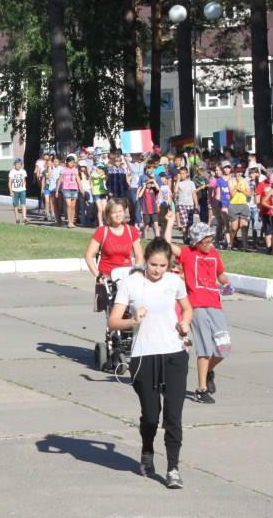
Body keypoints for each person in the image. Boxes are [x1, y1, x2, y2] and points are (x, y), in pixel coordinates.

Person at [108, 238, 193, 489]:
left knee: (173, 416)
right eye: (153, 264)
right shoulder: (131, 284)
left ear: (169, 264)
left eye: (162, 265)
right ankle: (147, 449)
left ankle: (173, 468)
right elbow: (113, 321)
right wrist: (133, 320)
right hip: (144, 356)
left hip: (174, 354)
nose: (157, 270)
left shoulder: (174, 282)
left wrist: (184, 323)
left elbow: (187, 308)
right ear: (145, 260)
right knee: (151, 416)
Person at [163, 219, 232, 404]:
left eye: (211, 241)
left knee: (224, 348)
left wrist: (226, 283)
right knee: (205, 348)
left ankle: (208, 370)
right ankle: (201, 390)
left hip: (215, 304)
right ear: (196, 242)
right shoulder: (188, 253)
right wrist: (170, 223)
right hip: (196, 305)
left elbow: (220, 274)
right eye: (206, 241)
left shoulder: (214, 254)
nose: (210, 244)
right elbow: (167, 245)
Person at [84, 199, 145, 283]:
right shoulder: (101, 232)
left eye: (120, 211)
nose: (118, 215)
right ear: (108, 214)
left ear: (124, 212)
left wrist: (136, 273)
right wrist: (98, 276)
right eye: (114, 212)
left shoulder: (132, 231)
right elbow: (88, 255)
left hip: (126, 278)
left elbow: (139, 256)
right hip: (106, 279)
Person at [174, 167, 198, 232]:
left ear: (187, 174)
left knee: (190, 222)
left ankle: (187, 234)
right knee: (184, 222)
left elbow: (194, 194)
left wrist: (196, 204)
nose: (182, 175)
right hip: (182, 204)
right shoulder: (179, 183)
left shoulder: (191, 183)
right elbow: (175, 191)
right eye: (181, 173)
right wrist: (178, 180)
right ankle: (185, 235)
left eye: (183, 173)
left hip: (190, 204)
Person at [60, 155, 81, 228]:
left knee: (73, 206)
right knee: (68, 205)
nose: (72, 164)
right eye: (71, 162)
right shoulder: (63, 170)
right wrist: (57, 189)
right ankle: (69, 221)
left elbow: (78, 179)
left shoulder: (75, 170)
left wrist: (81, 189)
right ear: (67, 162)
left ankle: (72, 221)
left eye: (73, 162)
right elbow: (60, 179)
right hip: (66, 189)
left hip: (74, 189)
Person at [8, 158, 28, 225]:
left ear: (21, 165)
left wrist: (24, 187)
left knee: (23, 204)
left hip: (22, 190)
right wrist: (11, 191)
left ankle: (24, 218)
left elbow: (24, 180)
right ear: (14, 165)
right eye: (17, 164)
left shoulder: (23, 171)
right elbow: (10, 182)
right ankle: (17, 218)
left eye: (20, 164)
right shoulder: (12, 172)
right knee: (15, 205)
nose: (18, 165)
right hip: (15, 190)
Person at [90, 163, 108, 227]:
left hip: (103, 193)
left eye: (101, 168)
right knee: (100, 209)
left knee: (104, 209)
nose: (100, 169)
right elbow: (96, 178)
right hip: (96, 193)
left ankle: (105, 221)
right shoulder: (93, 174)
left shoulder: (103, 175)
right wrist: (102, 174)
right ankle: (100, 223)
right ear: (96, 168)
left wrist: (106, 174)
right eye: (99, 168)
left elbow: (106, 178)